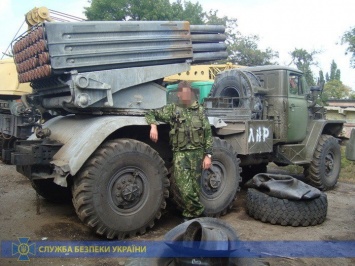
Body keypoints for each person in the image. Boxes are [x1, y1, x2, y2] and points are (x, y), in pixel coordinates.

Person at [145, 81, 213, 220]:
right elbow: (151, 113)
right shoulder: (173, 109)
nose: (185, 94)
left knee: (195, 188)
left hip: (198, 153)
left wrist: (208, 155)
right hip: (181, 154)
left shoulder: (200, 111)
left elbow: (207, 134)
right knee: (184, 188)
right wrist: (153, 126)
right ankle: (199, 212)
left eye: (188, 91)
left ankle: (190, 216)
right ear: (179, 94)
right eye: (183, 92)